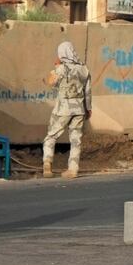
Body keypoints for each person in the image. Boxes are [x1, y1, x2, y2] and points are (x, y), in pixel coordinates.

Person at [42, 42, 92, 179]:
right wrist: (88, 108)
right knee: (76, 140)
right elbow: (88, 92)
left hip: (62, 109)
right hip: (79, 109)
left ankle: (47, 166)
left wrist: (55, 67)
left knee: (51, 136)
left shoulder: (60, 69)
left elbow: (51, 83)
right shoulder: (84, 69)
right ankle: (73, 169)